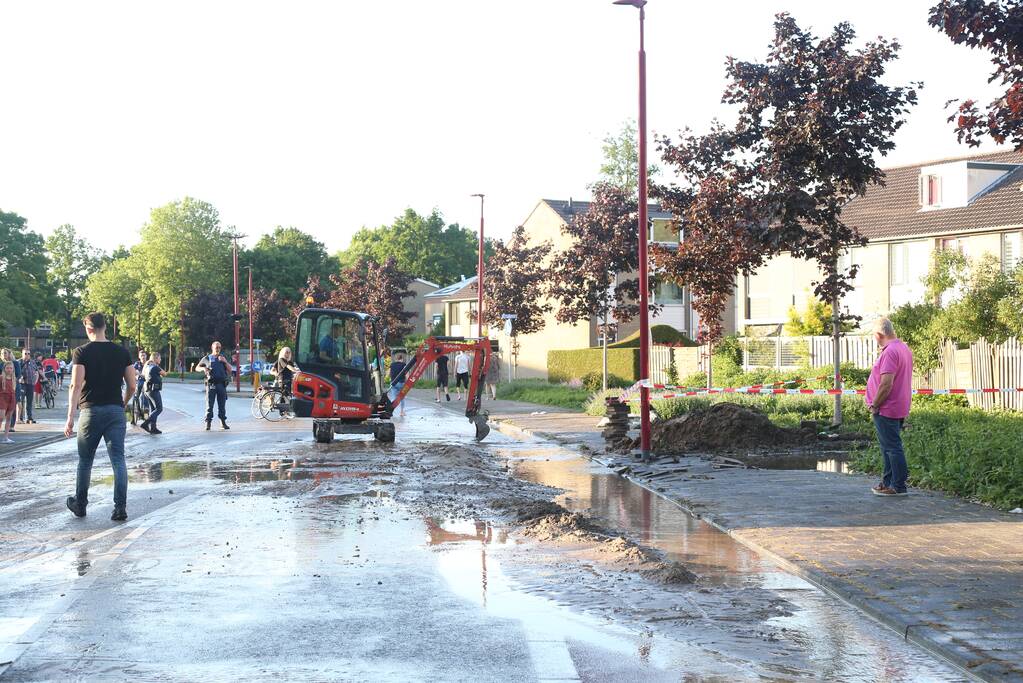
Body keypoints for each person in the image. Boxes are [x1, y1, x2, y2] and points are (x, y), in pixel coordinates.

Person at [64, 312, 135, 522]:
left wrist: (70, 416)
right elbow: (132, 385)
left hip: (91, 411)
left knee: (85, 460)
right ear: (105, 327)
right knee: (118, 460)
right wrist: (122, 403)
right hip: (115, 411)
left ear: (89, 329)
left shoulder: (81, 352)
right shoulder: (122, 352)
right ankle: (120, 508)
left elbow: (76, 385)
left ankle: (80, 504)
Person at [866, 317, 914, 497]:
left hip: (886, 407)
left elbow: (886, 383)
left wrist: (875, 404)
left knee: (893, 448)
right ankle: (888, 482)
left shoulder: (890, 352)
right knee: (888, 447)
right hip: (897, 405)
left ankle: (898, 486)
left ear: (879, 334)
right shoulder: (903, 348)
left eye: (874, 336)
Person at [194, 341, 234, 430]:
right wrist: (203, 368)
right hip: (211, 384)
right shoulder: (207, 358)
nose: (218, 349)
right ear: (212, 348)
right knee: (209, 405)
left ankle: (223, 422)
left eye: (219, 347)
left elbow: (230, 369)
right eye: (216, 347)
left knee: (222, 405)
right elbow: (197, 368)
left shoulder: (222, 358)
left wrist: (225, 361)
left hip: (221, 384)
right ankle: (208, 423)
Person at [139, 352, 166, 434]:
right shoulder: (155, 367)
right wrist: (156, 365)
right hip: (154, 390)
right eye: (159, 358)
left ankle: (153, 428)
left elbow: (144, 376)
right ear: (156, 358)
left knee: (153, 409)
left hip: (147, 390)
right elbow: (164, 373)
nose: (160, 359)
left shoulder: (147, 366)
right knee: (159, 409)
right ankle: (145, 424)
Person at [2, 349, 19, 432]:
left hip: (13, 386)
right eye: (2, 353)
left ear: (9, 354)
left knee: (12, 406)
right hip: (3, 387)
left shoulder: (15, 363)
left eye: (5, 353)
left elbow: (18, 374)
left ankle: (11, 426)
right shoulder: (1, 364)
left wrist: (12, 381)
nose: (3, 354)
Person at [19, 349, 37, 423]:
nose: (27, 355)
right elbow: (16, 373)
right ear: (22, 354)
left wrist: (35, 380)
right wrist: (20, 378)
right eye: (25, 353)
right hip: (22, 384)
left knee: (29, 402)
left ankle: (29, 418)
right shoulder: (19, 362)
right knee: (21, 401)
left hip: (30, 384)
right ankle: (20, 418)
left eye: (28, 353)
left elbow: (36, 371)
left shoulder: (33, 362)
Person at [0, 361, 16, 443]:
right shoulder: (1, 378)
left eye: (11, 368)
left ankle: (6, 437)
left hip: (12, 398)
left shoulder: (14, 378)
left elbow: (14, 389)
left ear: (13, 369)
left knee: (9, 418)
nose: (9, 370)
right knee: (1, 417)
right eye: (7, 368)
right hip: (2, 398)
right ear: (4, 369)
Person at [388, 351, 407, 416]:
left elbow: (388, 374)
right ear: (401, 359)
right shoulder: (404, 365)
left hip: (393, 383)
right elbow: (407, 374)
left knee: (393, 397)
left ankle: (391, 411)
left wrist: (390, 378)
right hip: (401, 383)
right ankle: (402, 412)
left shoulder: (392, 365)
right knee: (402, 397)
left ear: (396, 359)